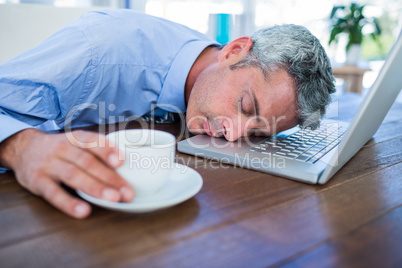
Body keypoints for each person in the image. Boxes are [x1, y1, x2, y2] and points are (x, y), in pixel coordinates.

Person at [0, 9, 335, 219]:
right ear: (234, 51)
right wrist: (20, 146)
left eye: (257, 133)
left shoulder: (205, 71)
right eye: (246, 107)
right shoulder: (99, 51)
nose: (233, 135)